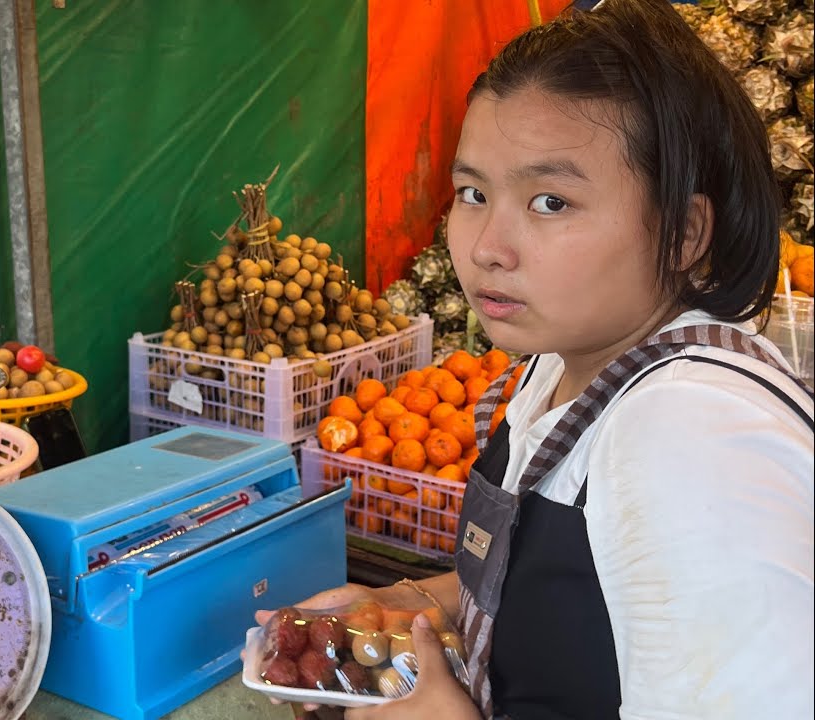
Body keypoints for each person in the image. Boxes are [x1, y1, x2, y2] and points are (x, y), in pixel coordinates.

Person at [256, 0, 815, 717]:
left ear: (683, 233)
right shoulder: (559, 367)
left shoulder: (691, 438)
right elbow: (576, 593)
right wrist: (409, 605)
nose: (487, 245)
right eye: (473, 193)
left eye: (550, 201)